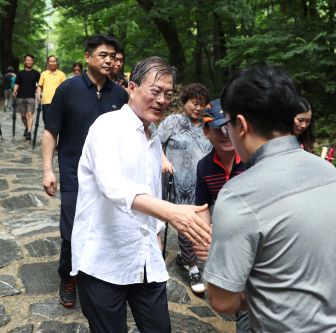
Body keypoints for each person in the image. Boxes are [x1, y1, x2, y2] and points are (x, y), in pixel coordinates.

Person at [203, 64, 336, 332]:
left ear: (241, 125)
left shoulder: (239, 195)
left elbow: (222, 300)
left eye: (229, 124)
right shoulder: (327, 171)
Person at [71, 56, 211, 333]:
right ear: (132, 88)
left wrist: (157, 233)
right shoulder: (107, 126)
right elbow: (112, 184)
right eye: (155, 91)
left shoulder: (153, 135)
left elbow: (150, 187)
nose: (162, 100)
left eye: (168, 94)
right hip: (103, 259)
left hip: (146, 258)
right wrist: (170, 212)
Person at [42, 34, 129, 308]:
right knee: (71, 230)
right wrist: (47, 169)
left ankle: (97, 276)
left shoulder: (120, 94)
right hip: (72, 173)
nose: (109, 60)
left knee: (105, 227)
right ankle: (69, 276)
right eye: (103, 55)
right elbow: (50, 131)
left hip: (110, 177)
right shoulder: (68, 89)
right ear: (87, 56)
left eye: (112, 56)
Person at [192, 99, 248, 333]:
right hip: (229, 242)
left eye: (229, 127)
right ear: (206, 132)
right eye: (217, 129)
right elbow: (203, 207)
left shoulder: (252, 160)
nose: (225, 135)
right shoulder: (205, 167)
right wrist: (205, 242)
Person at [156, 83, 211, 294]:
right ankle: (193, 267)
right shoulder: (173, 121)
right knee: (186, 225)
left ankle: (184, 258)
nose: (198, 108)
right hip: (177, 183)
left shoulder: (209, 125)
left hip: (202, 183)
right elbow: (154, 142)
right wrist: (162, 160)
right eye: (194, 103)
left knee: (202, 225)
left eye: (202, 105)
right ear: (185, 102)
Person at [13, 54, 40, 141]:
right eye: (27, 60)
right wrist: (15, 90)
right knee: (23, 116)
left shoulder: (36, 73)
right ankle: (26, 127)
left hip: (31, 97)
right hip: (20, 96)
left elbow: (39, 85)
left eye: (31, 60)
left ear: (33, 62)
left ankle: (29, 131)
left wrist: (39, 93)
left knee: (30, 114)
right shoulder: (20, 73)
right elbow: (17, 83)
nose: (29, 61)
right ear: (25, 61)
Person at [37, 55, 66, 124]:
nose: (52, 63)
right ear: (48, 63)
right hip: (46, 102)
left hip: (58, 102)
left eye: (54, 61)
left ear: (57, 63)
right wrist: (38, 95)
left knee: (56, 122)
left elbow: (66, 88)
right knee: (46, 122)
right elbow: (39, 86)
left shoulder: (62, 74)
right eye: (50, 61)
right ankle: (48, 134)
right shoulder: (44, 74)